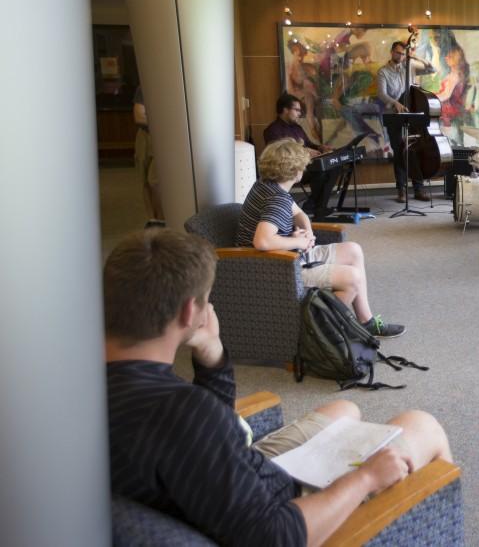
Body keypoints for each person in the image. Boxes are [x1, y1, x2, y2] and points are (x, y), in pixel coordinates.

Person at [104, 229, 452, 545]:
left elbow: (203, 437)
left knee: (346, 409)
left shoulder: (89, 387)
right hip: (282, 515)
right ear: (187, 312)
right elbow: (275, 537)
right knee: (423, 425)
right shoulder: (182, 411)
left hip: (231, 483)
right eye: (207, 299)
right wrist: (364, 480)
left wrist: (211, 354)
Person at [237, 138, 404, 338]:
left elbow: (299, 214)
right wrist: (298, 241)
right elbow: (262, 241)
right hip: (277, 268)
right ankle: (321, 334)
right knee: (352, 278)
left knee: (353, 250)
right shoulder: (277, 200)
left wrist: (307, 233)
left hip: (284, 257)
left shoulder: (268, 186)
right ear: (296, 170)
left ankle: (366, 322)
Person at [377, 40, 436, 203]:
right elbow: (381, 94)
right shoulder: (383, 72)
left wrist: (414, 56)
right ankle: (401, 191)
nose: (400, 56)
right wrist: (395, 103)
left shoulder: (409, 66)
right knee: (400, 153)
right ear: (391, 52)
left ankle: (418, 188)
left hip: (411, 116)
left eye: (403, 54)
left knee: (414, 151)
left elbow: (431, 69)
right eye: (398, 53)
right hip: (394, 117)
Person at [263, 92, 337, 218]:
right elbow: (279, 155)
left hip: (307, 167)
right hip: (290, 170)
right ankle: (316, 206)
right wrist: (304, 152)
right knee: (321, 171)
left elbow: (308, 144)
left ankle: (315, 205)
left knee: (334, 166)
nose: (299, 113)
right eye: (296, 110)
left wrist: (320, 147)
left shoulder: (297, 128)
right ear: (285, 110)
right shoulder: (272, 130)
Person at [133, 86, 165, 226]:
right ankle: (152, 220)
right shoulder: (145, 86)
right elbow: (139, 116)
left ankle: (162, 220)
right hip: (144, 136)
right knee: (144, 180)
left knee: (155, 181)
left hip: (164, 137)